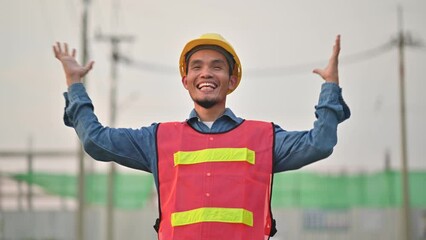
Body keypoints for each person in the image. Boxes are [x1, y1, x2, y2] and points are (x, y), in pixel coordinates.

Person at [53, 33, 350, 240]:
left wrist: (330, 87)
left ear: (231, 81)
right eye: (197, 66)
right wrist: (75, 84)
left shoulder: (264, 137)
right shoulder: (158, 139)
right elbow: (96, 141)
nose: (206, 73)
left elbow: (320, 143)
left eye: (217, 66)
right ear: (186, 81)